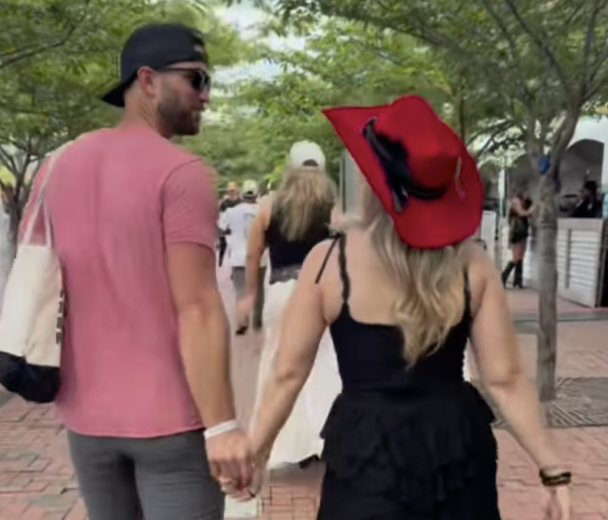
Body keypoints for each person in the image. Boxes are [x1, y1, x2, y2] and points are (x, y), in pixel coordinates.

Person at [235, 95, 570, 519]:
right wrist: (552, 469)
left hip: (366, 454)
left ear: (373, 182)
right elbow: (505, 379)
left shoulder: (329, 263)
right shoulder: (473, 264)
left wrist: (258, 451)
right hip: (455, 450)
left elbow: (287, 374)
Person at [20, 23, 251, 520]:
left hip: (86, 421)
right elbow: (197, 308)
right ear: (148, 80)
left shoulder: (56, 166)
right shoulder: (181, 173)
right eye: (196, 79)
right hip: (170, 423)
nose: (206, 96)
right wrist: (222, 427)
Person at [237, 140, 342, 469]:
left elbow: (253, 255)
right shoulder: (334, 204)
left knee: (280, 363)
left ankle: (286, 441)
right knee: (329, 363)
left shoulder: (270, 205)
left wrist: (250, 295)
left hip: (283, 293)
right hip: (325, 290)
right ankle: (326, 437)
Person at [219, 179, 265, 331]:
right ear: (256, 194)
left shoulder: (231, 212)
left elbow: (220, 226)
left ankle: (242, 320)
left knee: (241, 291)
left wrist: (231, 233)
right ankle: (257, 321)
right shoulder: (262, 211)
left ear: (242, 194)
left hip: (238, 257)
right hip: (259, 256)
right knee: (258, 290)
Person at [0, 184, 16, 304]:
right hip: (4, 241)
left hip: (14, 241)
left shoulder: (16, 207)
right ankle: (5, 299)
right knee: (5, 271)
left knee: (14, 270)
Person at [501, 189, 533, 288]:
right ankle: (503, 277)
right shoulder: (516, 201)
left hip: (522, 230)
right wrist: (532, 210)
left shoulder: (526, 202)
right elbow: (522, 213)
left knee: (520, 256)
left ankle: (518, 281)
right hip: (517, 231)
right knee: (515, 257)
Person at [219, 181, 241, 266]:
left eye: (233, 190)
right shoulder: (224, 203)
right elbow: (221, 215)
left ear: (236, 191)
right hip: (226, 226)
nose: (232, 192)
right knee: (223, 244)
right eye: (230, 191)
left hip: (237, 227)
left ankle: (235, 264)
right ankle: (220, 261)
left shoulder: (240, 201)